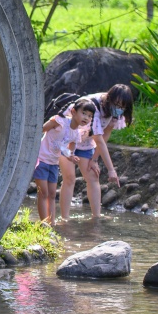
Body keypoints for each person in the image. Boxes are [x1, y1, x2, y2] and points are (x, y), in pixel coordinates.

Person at [58, 84, 134, 219]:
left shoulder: (116, 112)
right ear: (109, 99)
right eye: (117, 104)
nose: (119, 109)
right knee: (69, 178)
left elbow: (105, 134)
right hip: (67, 140)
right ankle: (65, 219)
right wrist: (111, 170)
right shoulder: (94, 106)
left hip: (86, 142)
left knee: (93, 177)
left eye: (122, 107)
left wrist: (94, 159)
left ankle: (96, 216)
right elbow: (98, 139)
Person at [33, 98, 95, 225]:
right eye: (84, 113)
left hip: (54, 163)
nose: (86, 118)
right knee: (43, 192)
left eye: (90, 116)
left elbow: (68, 151)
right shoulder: (59, 121)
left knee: (51, 194)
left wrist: (71, 157)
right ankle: (44, 224)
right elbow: (41, 129)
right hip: (41, 158)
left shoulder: (76, 134)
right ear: (73, 111)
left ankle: (52, 223)